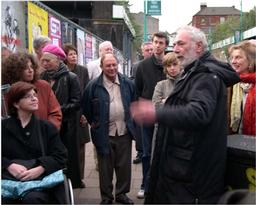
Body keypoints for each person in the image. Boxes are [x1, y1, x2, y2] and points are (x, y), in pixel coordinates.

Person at [130, 25, 240, 204]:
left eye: (180, 44)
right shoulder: (193, 72)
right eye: (175, 44)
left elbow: (199, 112)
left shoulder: (205, 76)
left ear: (198, 47)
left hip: (191, 175)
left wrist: (157, 112)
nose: (176, 49)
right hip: (183, 169)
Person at [82, 53, 136, 204]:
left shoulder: (128, 83)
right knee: (105, 169)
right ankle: (106, 197)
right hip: (103, 134)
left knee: (124, 167)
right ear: (101, 67)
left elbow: (134, 102)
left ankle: (121, 194)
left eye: (114, 65)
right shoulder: (93, 86)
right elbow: (86, 107)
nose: (112, 68)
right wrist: (95, 123)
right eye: (108, 65)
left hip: (124, 131)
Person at [2, 81, 67, 204]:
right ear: (16, 103)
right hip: (7, 183)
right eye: (28, 96)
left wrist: (41, 168)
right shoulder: (3, 128)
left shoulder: (46, 128)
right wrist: (8, 165)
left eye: (34, 95)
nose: (34, 99)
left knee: (33, 199)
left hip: (39, 185)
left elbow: (61, 155)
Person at [40, 44, 83, 188]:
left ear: (58, 60)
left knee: (67, 158)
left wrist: (55, 111)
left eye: (48, 60)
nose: (44, 63)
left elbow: (76, 103)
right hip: (46, 125)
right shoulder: (41, 77)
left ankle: (69, 186)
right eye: (43, 60)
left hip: (67, 126)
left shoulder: (71, 78)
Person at [135, 31, 169, 199]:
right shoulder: (142, 66)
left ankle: (162, 186)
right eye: (155, 42)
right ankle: (145, 184)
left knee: (165, 151)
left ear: (166, 45)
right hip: (147, 113)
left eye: (161, 43)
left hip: (167, 115)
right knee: (147, 152)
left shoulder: (171, 63)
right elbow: (138, 90)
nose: (157, 45)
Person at [2, 51, 62, 130]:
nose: (30, 70)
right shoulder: (8, 91)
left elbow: (55, 113)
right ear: (15, 70)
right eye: (25, 68)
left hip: (43, 136)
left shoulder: (43, 86)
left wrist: (48, 132)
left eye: (31, 67)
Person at [62, 43, 90, 188]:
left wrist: (85, 113)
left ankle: (79, 178)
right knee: (66, 147)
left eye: (75, 54)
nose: (74, 56)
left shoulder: (83, 71)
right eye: (70, 54)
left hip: (80, 113)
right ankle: (67, 177)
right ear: (64, 57)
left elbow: (86, 93)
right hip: (66, 114)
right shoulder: (61, 72)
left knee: (80, 147)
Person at [151, 52, 182, 157]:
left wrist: (166, 101)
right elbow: (156, 107)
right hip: (163, 129)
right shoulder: (161, 85)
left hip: (181, 130)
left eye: (174, 64)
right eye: (168, 65)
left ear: (180, 64)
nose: (172, 68)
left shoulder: (186, 83)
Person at [131, 41, 153, 165]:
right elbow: (135, 82)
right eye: (147, 50)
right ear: (142, 52)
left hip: (154, 101)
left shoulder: (158, 64)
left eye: (151, 49)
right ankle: (140, 152)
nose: (150, 52)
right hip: (141, 100)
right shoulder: (137, 66)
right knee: (140, 130)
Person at [228, 40, 256, 135]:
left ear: (250, 61)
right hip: (236, 139)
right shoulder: (229, 83)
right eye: (231, 58)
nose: (233, 61)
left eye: (238, 57)